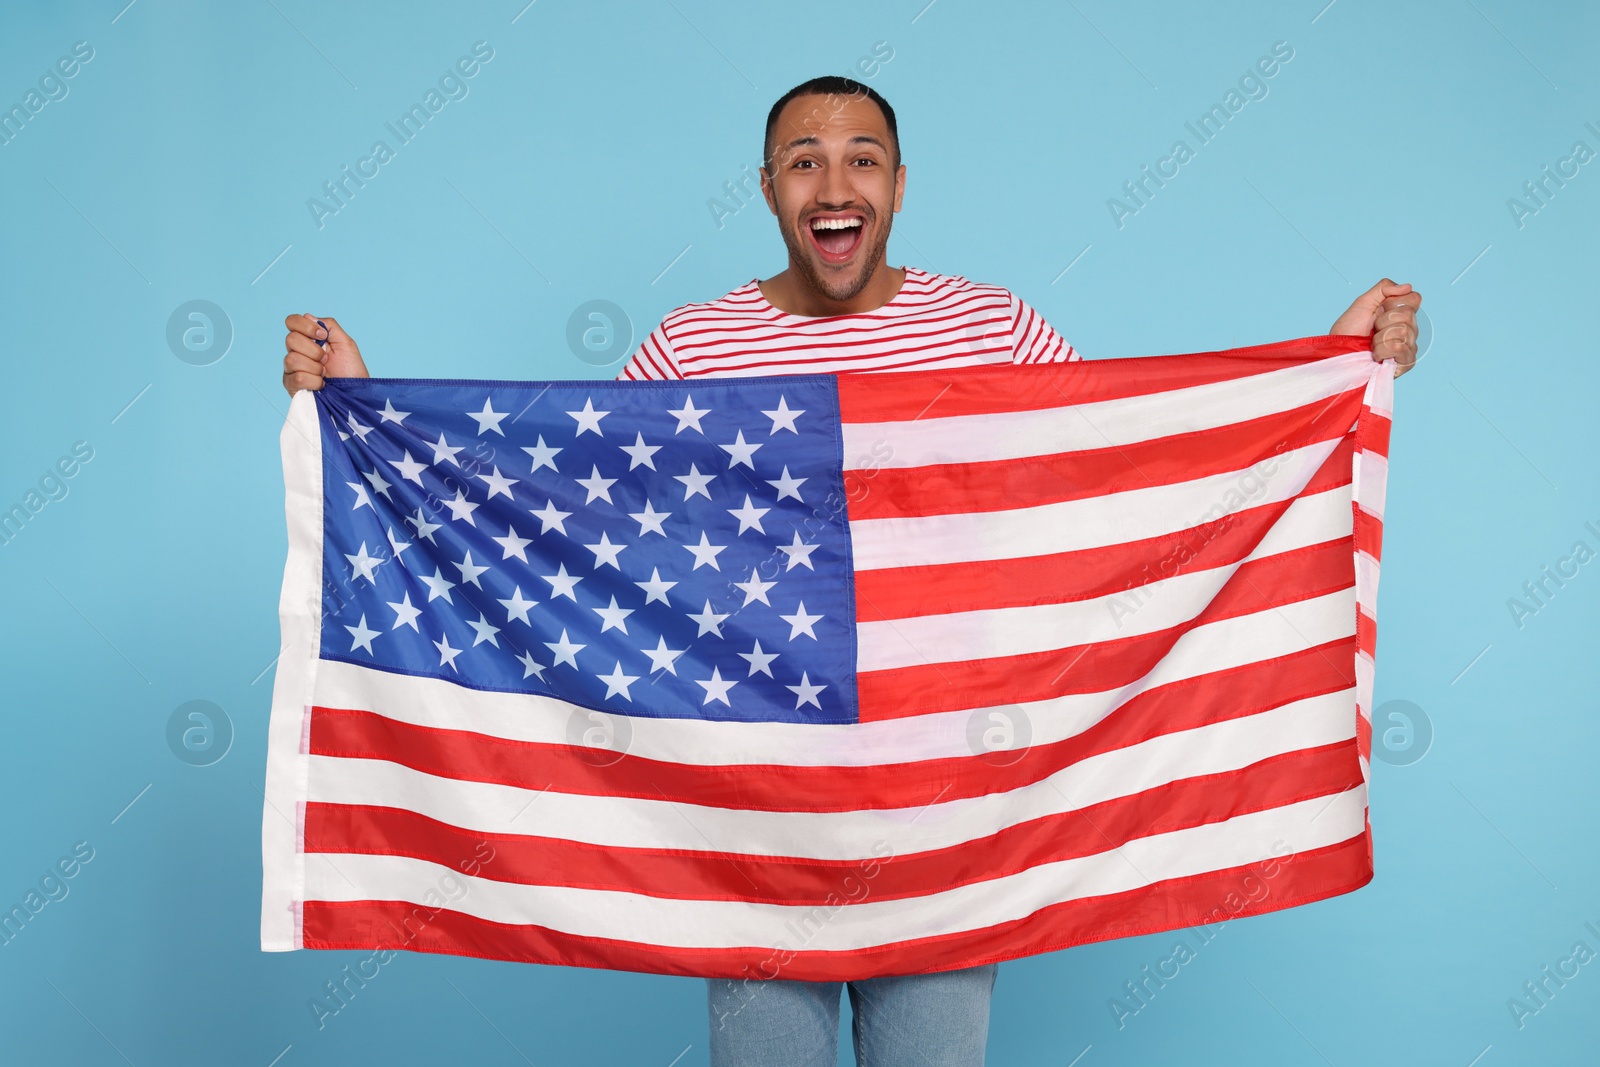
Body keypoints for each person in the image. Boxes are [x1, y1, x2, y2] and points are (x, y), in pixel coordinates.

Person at [280, 75, 1420, 1067]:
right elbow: (573, 516)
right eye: (804, 161)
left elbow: (1123, 479)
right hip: (754, 824)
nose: (836, 184)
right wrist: (371, 415)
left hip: (953, 822)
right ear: (769, 188)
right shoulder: (695, 345)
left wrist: (1325, 378)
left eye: (862, 159)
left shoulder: (993, 329)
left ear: (900, 185)